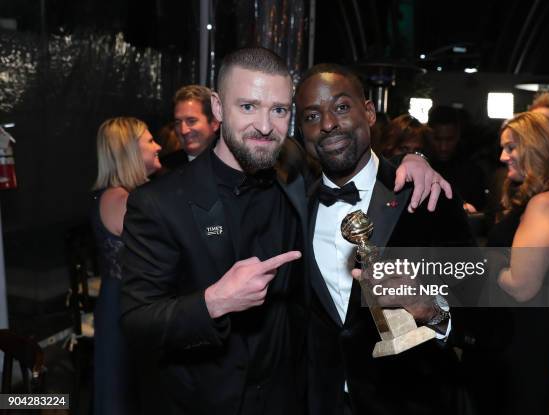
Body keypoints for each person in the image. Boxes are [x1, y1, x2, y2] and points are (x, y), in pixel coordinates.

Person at [120, 47, 450, 415]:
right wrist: (213, 302)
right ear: (216, 107)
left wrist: (415, 160)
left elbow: (491, 311)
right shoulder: (159, 203)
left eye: (278, 110)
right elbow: (135, 324)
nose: (264, 125)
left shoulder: (296, 185)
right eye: (248, 107)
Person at [295, 63, 478, 415]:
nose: (328, 123)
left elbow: (494, 325)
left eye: (342, 107)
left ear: (369, 112)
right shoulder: (294, 210)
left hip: (413, 403)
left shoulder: (427, 197)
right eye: (312, 115)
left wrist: (432, 310)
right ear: (301, 130)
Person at [464, 111, 549, 415]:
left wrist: (482, 262)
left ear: (535, 148)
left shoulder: (546, 202)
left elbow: (521, 286)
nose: (503, 156)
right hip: (519, 333)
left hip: (519, 338)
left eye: (511, 148)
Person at [91, 116, 161, 415]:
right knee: (121, 397)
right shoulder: (123, 200)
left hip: (117, 303)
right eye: (149, 140)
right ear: (130, 150)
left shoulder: (116, 195)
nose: (158, 145)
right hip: (124, 309)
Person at [427, 105, 486, 212]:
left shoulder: (473, 173)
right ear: (429, 135)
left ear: (458, 135)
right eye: (437, 139)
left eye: (449, 139)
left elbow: (479, 216)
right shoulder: (420, 167)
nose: (443, 147)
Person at [160, 84, 220, 170]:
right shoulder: (165, 168)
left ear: (214, 123)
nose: (183, 130)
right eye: (178, 122)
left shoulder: (235, 166)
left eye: (191, 121)